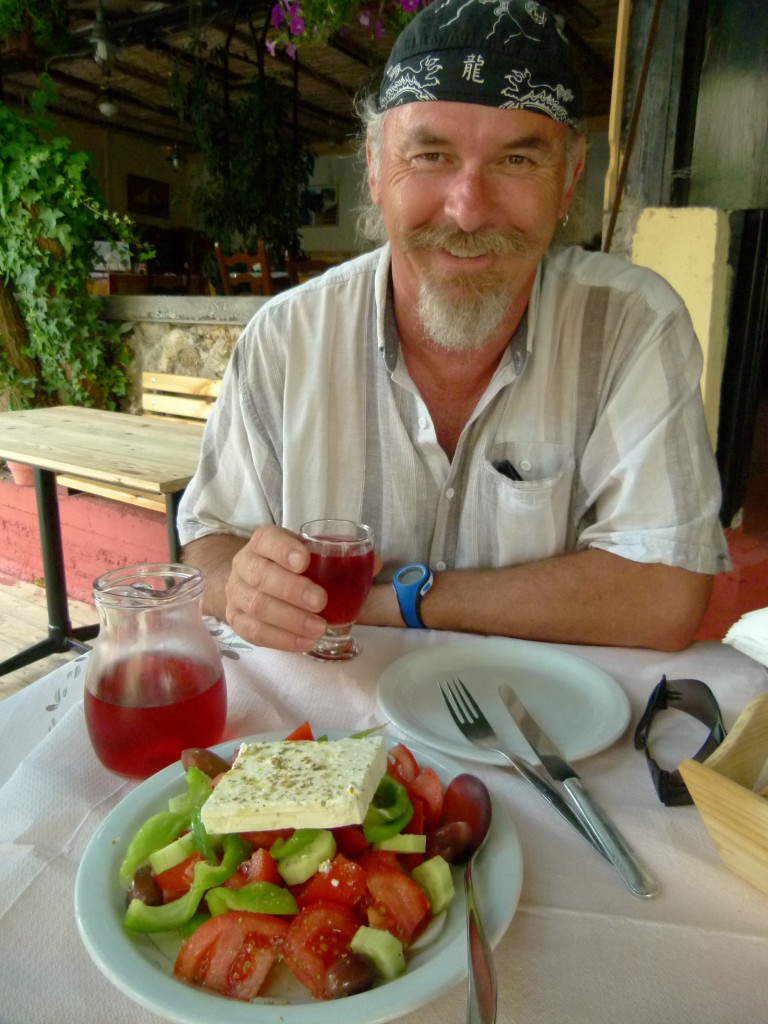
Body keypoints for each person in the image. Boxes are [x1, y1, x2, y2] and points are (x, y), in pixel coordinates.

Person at [178, 0, 730, 654]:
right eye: (432, 155)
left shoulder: (630, 327)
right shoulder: (286, 337)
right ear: (377, 167)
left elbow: (663, 593)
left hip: (545, 732)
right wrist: (233, 586)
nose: (468, 212)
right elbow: (210, 543)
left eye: (518, 161)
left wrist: (399, 602)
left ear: (570, 177)